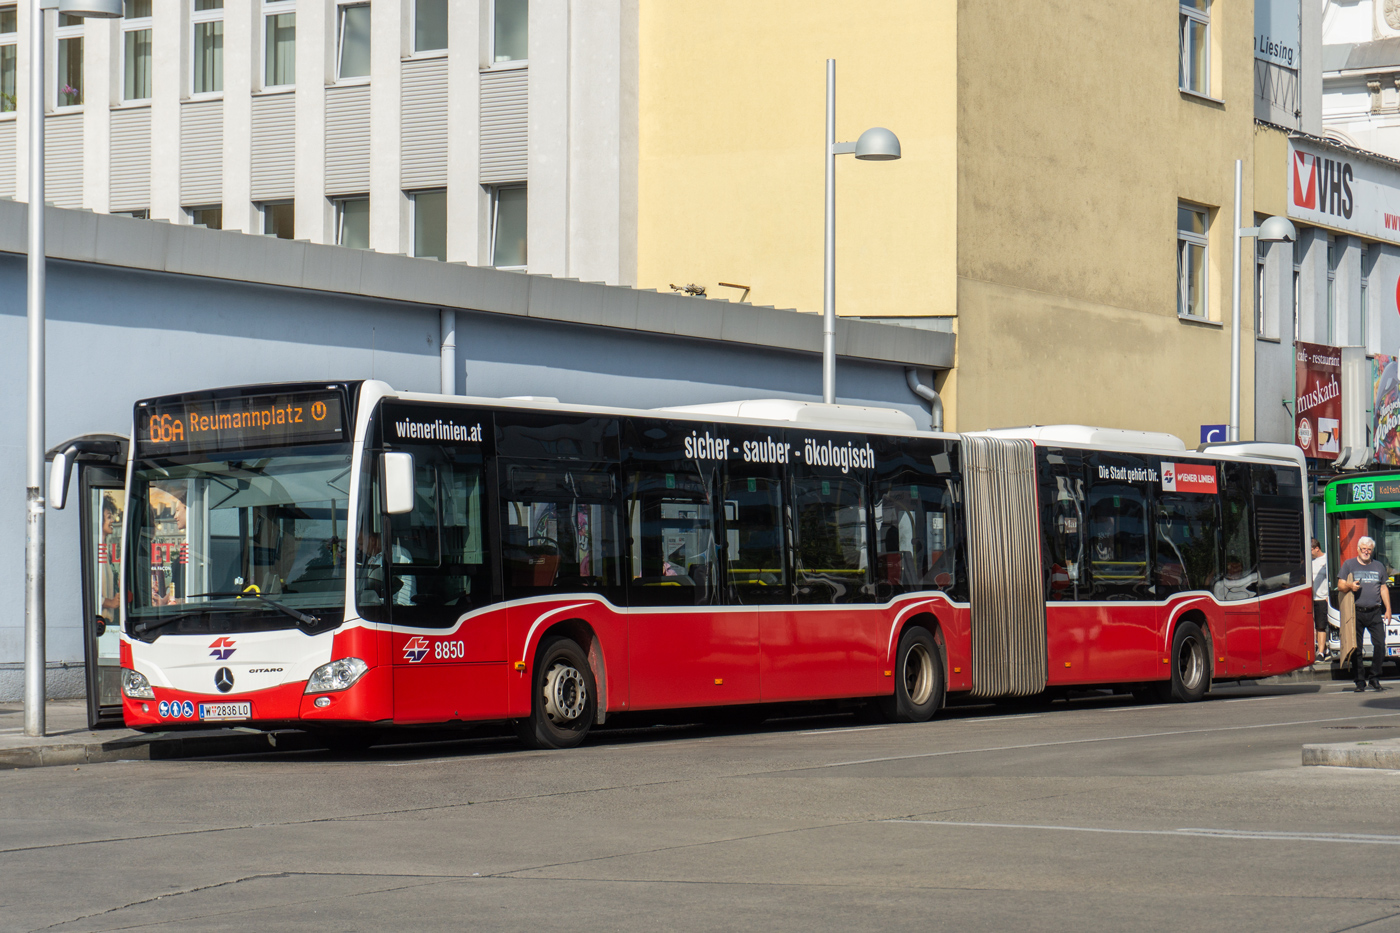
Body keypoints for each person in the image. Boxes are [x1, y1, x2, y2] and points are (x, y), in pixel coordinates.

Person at [1338, 536, 1390, 692]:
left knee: (1380, 644)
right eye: (1363, 549)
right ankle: (1360, 680)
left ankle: (1374, 677)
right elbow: (1340, 585)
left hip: (1375, 611)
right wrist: (1349, 585)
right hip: (1356, 612)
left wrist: (1388, 609)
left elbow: (1383, 588)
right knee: (1356, 648)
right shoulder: (1349, 564)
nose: (1366, 552)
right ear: (1358, 549)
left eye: (1369, 549)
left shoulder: (1378, 566)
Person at [358, 529, 415, 607]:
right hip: (383, 603)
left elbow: (377, 581)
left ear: (372, 540)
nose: (360, 548)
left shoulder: (396, 553)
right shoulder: (373, 558)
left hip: (401, 606)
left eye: (361, 544)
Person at [1311, 538, 1330, 662]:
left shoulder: (1327, 560)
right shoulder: (1309, 562)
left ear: (1317, 548)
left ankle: (1321, 653)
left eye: (1311, 550)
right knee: (1314, 626)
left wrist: (1329, 595)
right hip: (1311, 598)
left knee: (1321, 626)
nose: (1310, 553)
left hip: (1322, 597)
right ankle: (1321, 648)